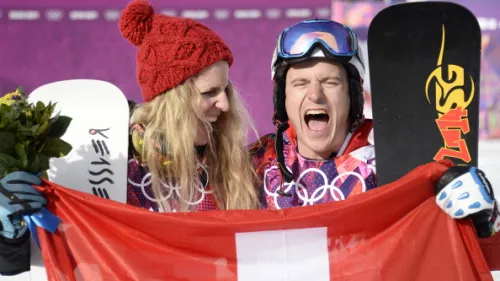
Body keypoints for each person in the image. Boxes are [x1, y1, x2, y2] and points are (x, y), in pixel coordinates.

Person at [0, 0, 260, 275]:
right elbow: (41, 260)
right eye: (210, 93)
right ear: (172, 100)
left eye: (226, 91)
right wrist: (9, 231)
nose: (225, 105)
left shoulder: (234, 168)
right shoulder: (113, 158)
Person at [249, 18, 499, 237]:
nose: (315, 95)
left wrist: (484, 221)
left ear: (353, 96)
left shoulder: (393, 168)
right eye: (300, 83)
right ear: (283, 98)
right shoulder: (252, 166)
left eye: (331, 82)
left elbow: (471, 255)